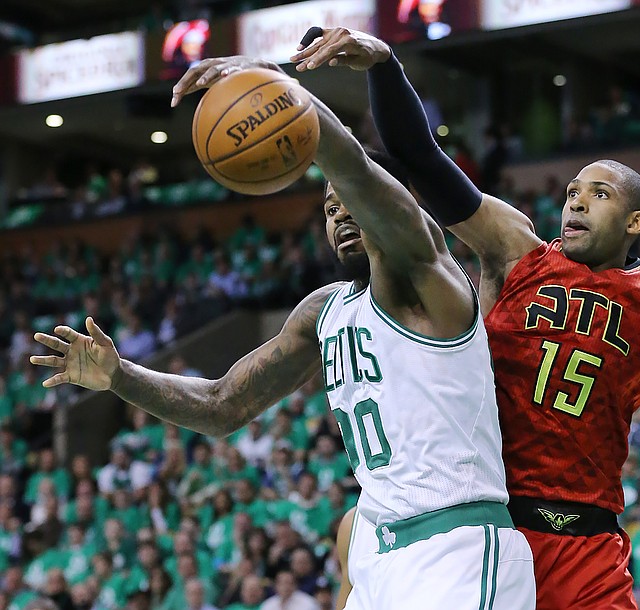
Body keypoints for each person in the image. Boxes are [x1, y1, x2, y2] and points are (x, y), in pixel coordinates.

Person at [290, 27, 640, 609]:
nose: (576, 200)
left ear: (636, 223)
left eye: (599, 194)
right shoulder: (515, 251)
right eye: (574, 190)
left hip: (590, 541)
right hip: (497, 529)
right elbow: (420, 158)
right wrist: (384, 65)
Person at [31, 58, 535, 609]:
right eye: (328, 208)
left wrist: (283, 94)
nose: (340, 213)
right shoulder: (324, 311)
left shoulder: (429, 280)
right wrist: (120, 375)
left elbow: (361, 177)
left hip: (457, 546)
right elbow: (222, 405)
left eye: (350, 204)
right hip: (378, 549)